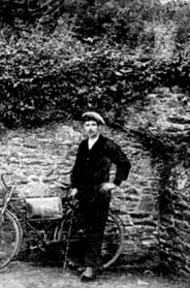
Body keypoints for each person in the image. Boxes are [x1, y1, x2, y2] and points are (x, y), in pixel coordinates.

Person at [68, 111, 131, 281]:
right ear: (84, 127)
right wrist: (74, 186)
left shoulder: (107, 144)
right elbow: (77, 167)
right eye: (87, 125)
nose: (90, 128)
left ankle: (90, 269)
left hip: (99, 194)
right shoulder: (83, 145)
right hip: (83, 193)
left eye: (93, 125)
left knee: (95, 231)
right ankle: (87, 262)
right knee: (84, 229)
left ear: (99, 127)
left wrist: (115, 183)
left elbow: (124, 163)